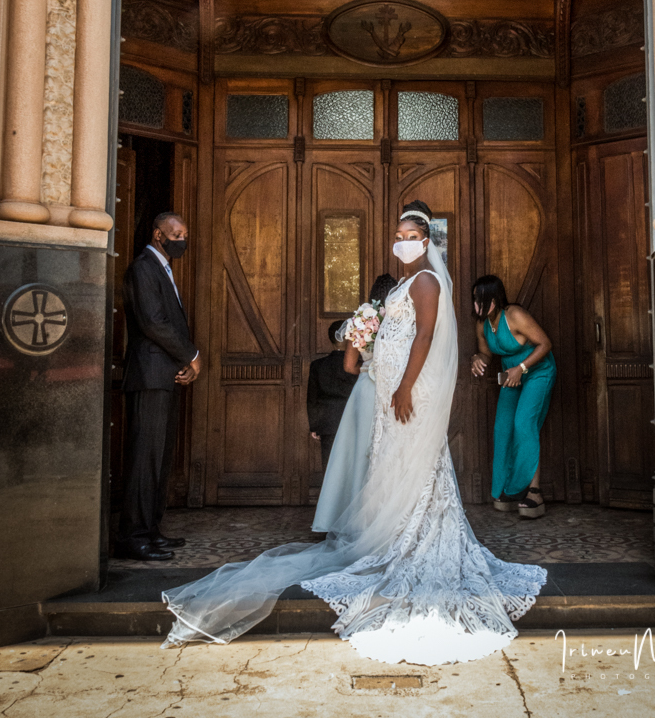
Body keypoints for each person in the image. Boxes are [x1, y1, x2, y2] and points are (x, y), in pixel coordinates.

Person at [162, 200, 545, 665]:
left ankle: (414, 540)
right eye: (397, 235)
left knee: (414, 467)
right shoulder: (403, 283)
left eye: (409, 235)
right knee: (389, 466)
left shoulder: (426, 282)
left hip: (409, 397)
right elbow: (390, 337)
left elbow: (424, 336)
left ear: (426, 242)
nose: (401, 242)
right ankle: (390, 537)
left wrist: (404, 387)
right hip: (388, 399)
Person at [117, 212, 201, 561]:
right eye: (175, 233)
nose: (181, 239)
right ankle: (132, 537)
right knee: (144, 459)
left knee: (160, 459)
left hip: (165, 374)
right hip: (149, 376)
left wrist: (181, 363)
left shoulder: (163, 269)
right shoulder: (143, 268)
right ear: (158, 235)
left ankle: (151, 530)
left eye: (184, 233)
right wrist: (192, 355)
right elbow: (153, 322)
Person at [312, 273, 396, 533]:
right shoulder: (400, 318)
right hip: (393, 388)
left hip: (367, 390)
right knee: (389, 449)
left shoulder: (361, 319)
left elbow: (349, 366)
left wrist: (369, 369)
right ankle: (389, 515)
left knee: (360, 451)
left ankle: (354, 518)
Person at [471, 274, 556, 517]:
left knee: (524, 424)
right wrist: (477, 358)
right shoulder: (482, 323)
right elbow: (486, 354)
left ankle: (534, 493)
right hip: (511, 376)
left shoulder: (515, 315)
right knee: (503, 429)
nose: (476, 302)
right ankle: (510, 489)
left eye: (481, 298)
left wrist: (522, 368)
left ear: (495, 300)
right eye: (474, 298)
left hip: (537, 371)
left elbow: (545, 344)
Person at [307, 320, 358, 471]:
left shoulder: (318, 365)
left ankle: (330, 494)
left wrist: (314, 426)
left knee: (329, 466)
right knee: (352, 465)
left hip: (328, 423)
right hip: (353, 419)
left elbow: (312, 398)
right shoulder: (357, 364)